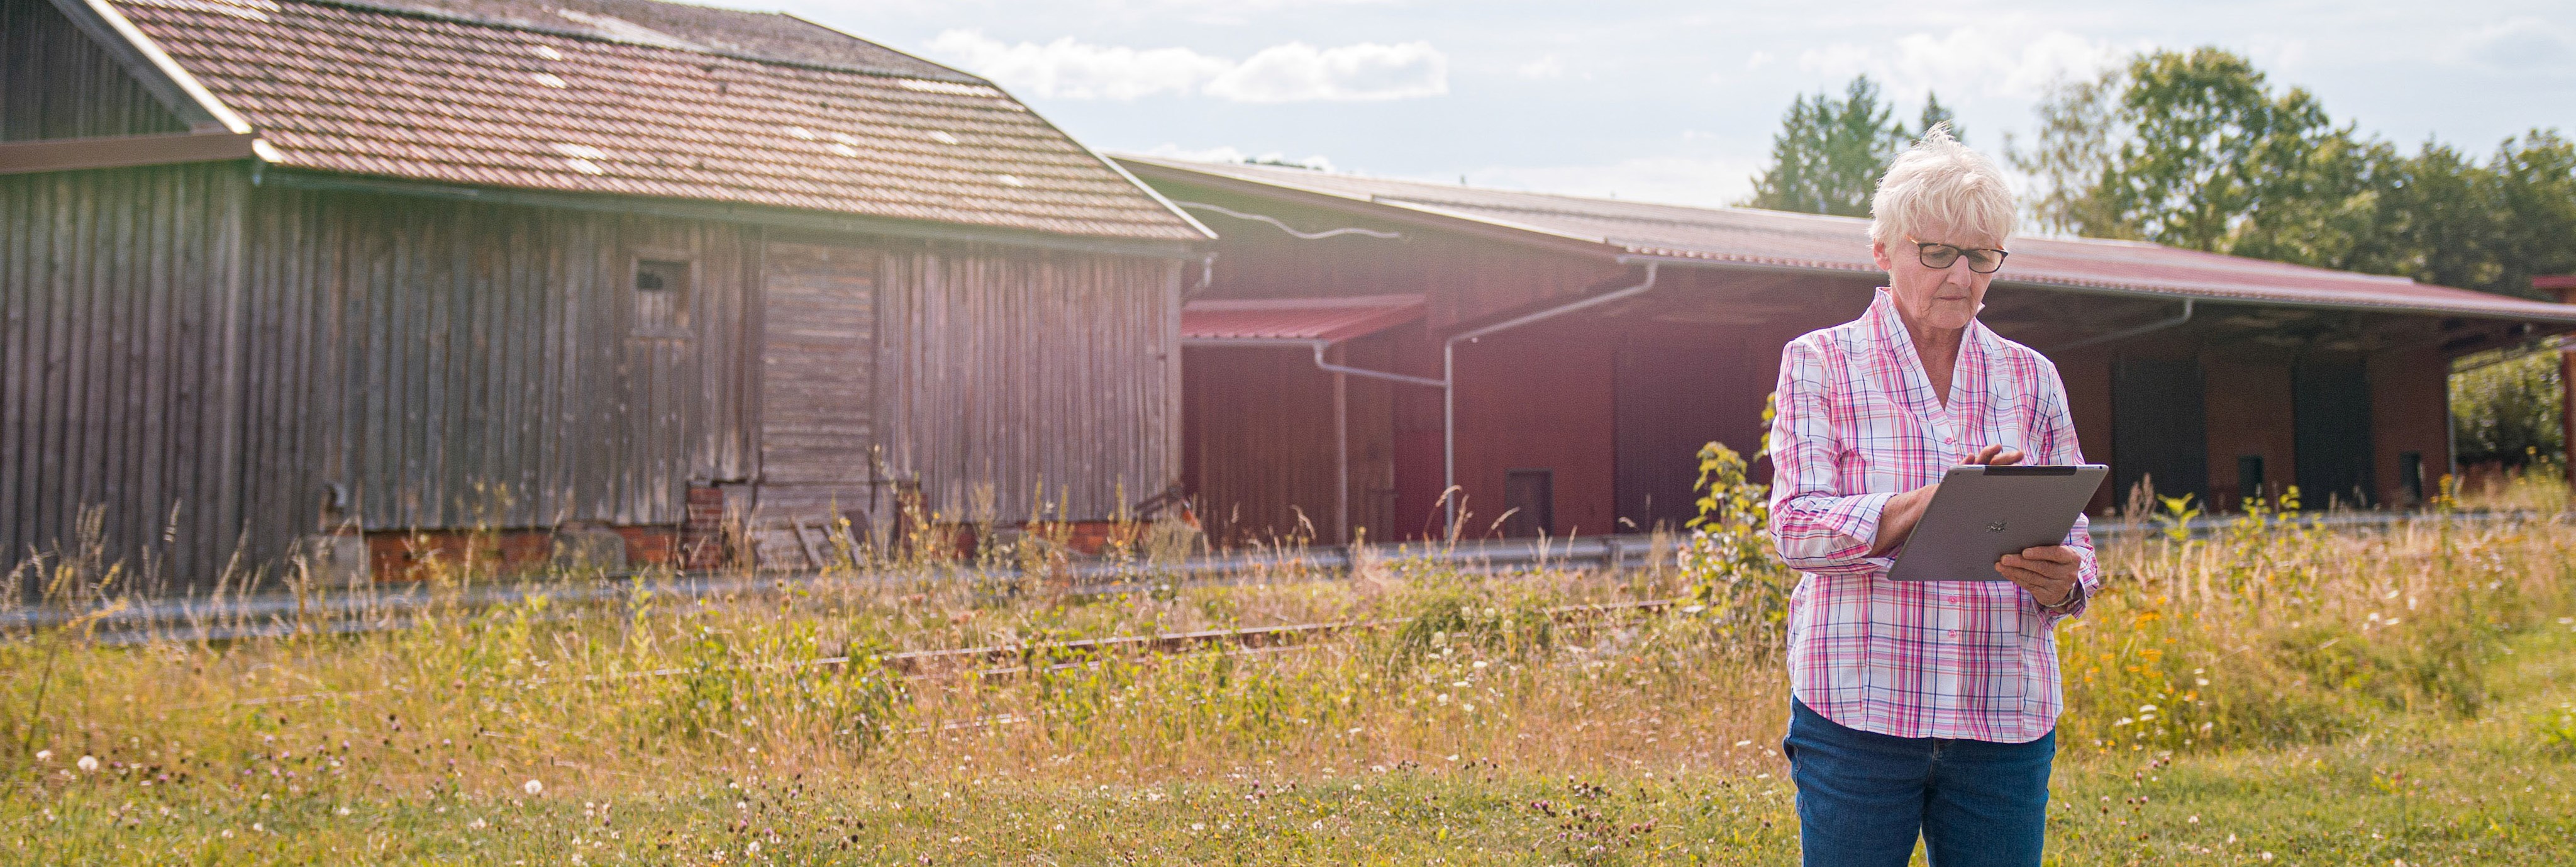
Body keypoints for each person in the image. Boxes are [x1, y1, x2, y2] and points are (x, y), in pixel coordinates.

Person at [1764, 124, 2099, 867]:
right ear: (1883, 252)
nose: (1961, 276)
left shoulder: (2031, 376)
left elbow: (2076, 538)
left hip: (2002, 714)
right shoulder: (1820, 363)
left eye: (1981, 257)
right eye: (1937, 252)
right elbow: (1794, 528)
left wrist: (2064, 579)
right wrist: (1933, 502)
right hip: (1858, 709)